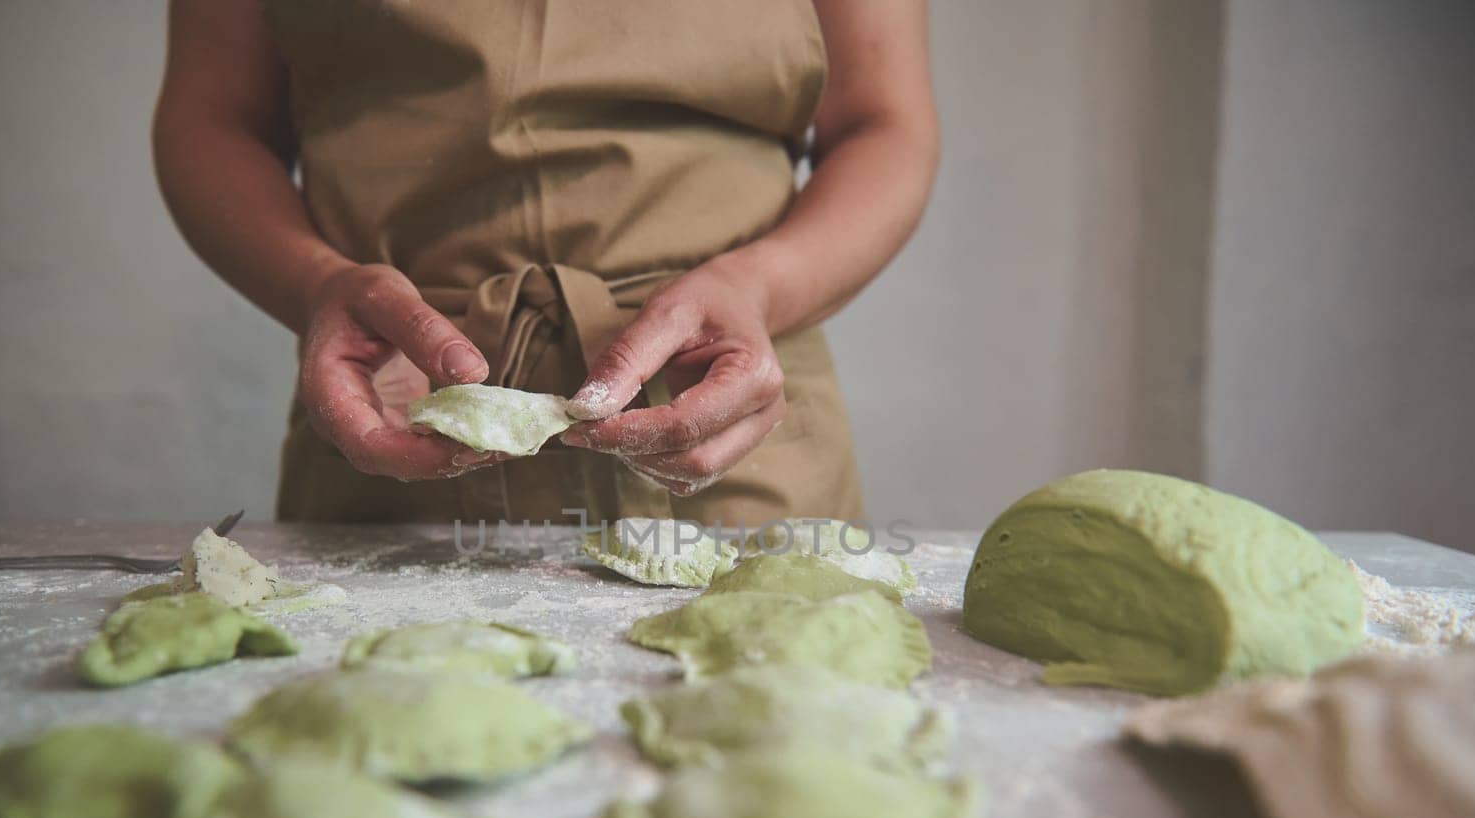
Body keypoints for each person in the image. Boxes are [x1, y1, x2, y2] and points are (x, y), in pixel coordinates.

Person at [153, 0, 937, 527]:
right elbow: (214, 119)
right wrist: (315, 284)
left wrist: (758, 289)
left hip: (726, 417)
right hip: (395, 406)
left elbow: (884, 123)